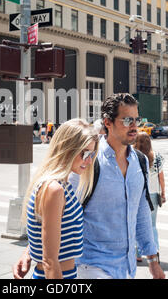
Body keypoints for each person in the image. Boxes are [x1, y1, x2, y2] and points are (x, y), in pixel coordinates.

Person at [13, 93, 165, 280]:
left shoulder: (139, 161)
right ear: (107, 122)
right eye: (127, 120)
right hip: (90, 266)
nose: (134, 126)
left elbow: (141, 212)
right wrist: (31, 252)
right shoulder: (88, 159)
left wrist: (153, 261)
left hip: (126, 267)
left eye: (136, 119)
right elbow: (54, 212)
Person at [15, 119, 98, 279]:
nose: (89, 161)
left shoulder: (60, 185)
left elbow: (42, 237)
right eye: (85, 153)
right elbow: (50, 261)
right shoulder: (54, 189)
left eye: (92, 154)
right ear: (68, 149)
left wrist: (28, 252)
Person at [134, 132, 166, 262]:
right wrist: (163, 192)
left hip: (137, 193)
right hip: (153, 193)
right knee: (152, 224)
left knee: (136, 223)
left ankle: (137, 254)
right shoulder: (157, 157)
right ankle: (155, 251)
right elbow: (161, 178)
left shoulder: (133, 156)